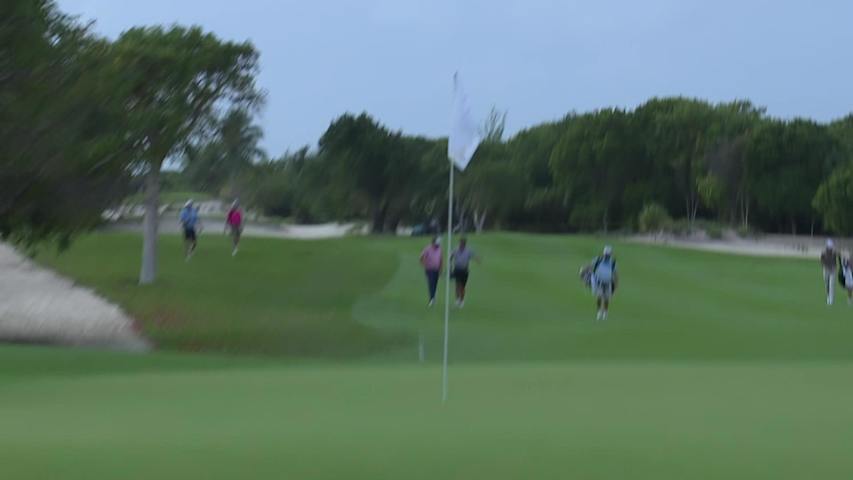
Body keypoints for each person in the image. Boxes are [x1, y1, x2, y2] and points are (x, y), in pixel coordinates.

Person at [450, 238, 480, 308]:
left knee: (462, 287)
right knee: (457, 285)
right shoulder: (456, 249)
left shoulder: (468, 250)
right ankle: (457, 300)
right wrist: (450, 263)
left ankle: (462, 301)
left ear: (465, 244)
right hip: (457, 269)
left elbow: (474, 256)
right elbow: (451, 256)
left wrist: (477, 260)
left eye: (462, 244)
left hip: (464, 270)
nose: (461, 245)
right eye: (460, 244)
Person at [591, 245, 618, 321]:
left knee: (606, 298)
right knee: (599, 296)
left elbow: (615, 274)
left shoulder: (612, 262)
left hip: (608, 282)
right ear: (604, 254)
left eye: (608, 254)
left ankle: (605, 313)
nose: (607, 256)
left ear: (610, 254)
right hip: (599, 281)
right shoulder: (598, 260)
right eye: (606, 254)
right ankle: (599, 312)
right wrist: (584, 269)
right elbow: (591, 266)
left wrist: (616, 284)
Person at [420, 237, 443, 307]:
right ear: (433, 243)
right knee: (431, 283)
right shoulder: (427, 248)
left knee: (435, 284)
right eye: (436, 244)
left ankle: (433, 297)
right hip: (429, 269)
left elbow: (441, 259)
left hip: (437, 269)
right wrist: (424, 264)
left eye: (438, 244)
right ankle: (431, 299)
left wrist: (441, 269)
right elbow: (421, 257)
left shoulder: (439, 249)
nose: (437, 246)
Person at [821, 239, 838, 305]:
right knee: (827, 284)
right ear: (827, 246)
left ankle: (831, 300)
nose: (830, 248)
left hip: (833, 270)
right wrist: (825, 266)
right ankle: (828, 296)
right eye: (829, 247)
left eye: (831, 247)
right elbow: (822, 262)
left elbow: (837, 259)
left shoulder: (834, 253)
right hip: (826, 270)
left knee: (831, 285)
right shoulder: (823, 253)